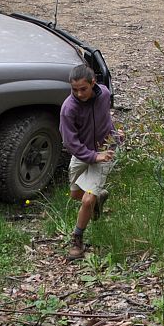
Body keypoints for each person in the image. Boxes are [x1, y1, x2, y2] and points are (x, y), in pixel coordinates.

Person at [60, 64, 118, 260]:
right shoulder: (69, 108)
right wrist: (92, 156)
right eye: (74, 89)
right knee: (76, 194)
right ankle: (99, 197)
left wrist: (115, 136)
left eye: (83, 89)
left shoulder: (104, 94)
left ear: (93, 83)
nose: (78, 94)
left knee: (86, 200)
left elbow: (105, 119)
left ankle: (77, 238)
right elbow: (70, 142)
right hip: (82, 153)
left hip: (105, 151)